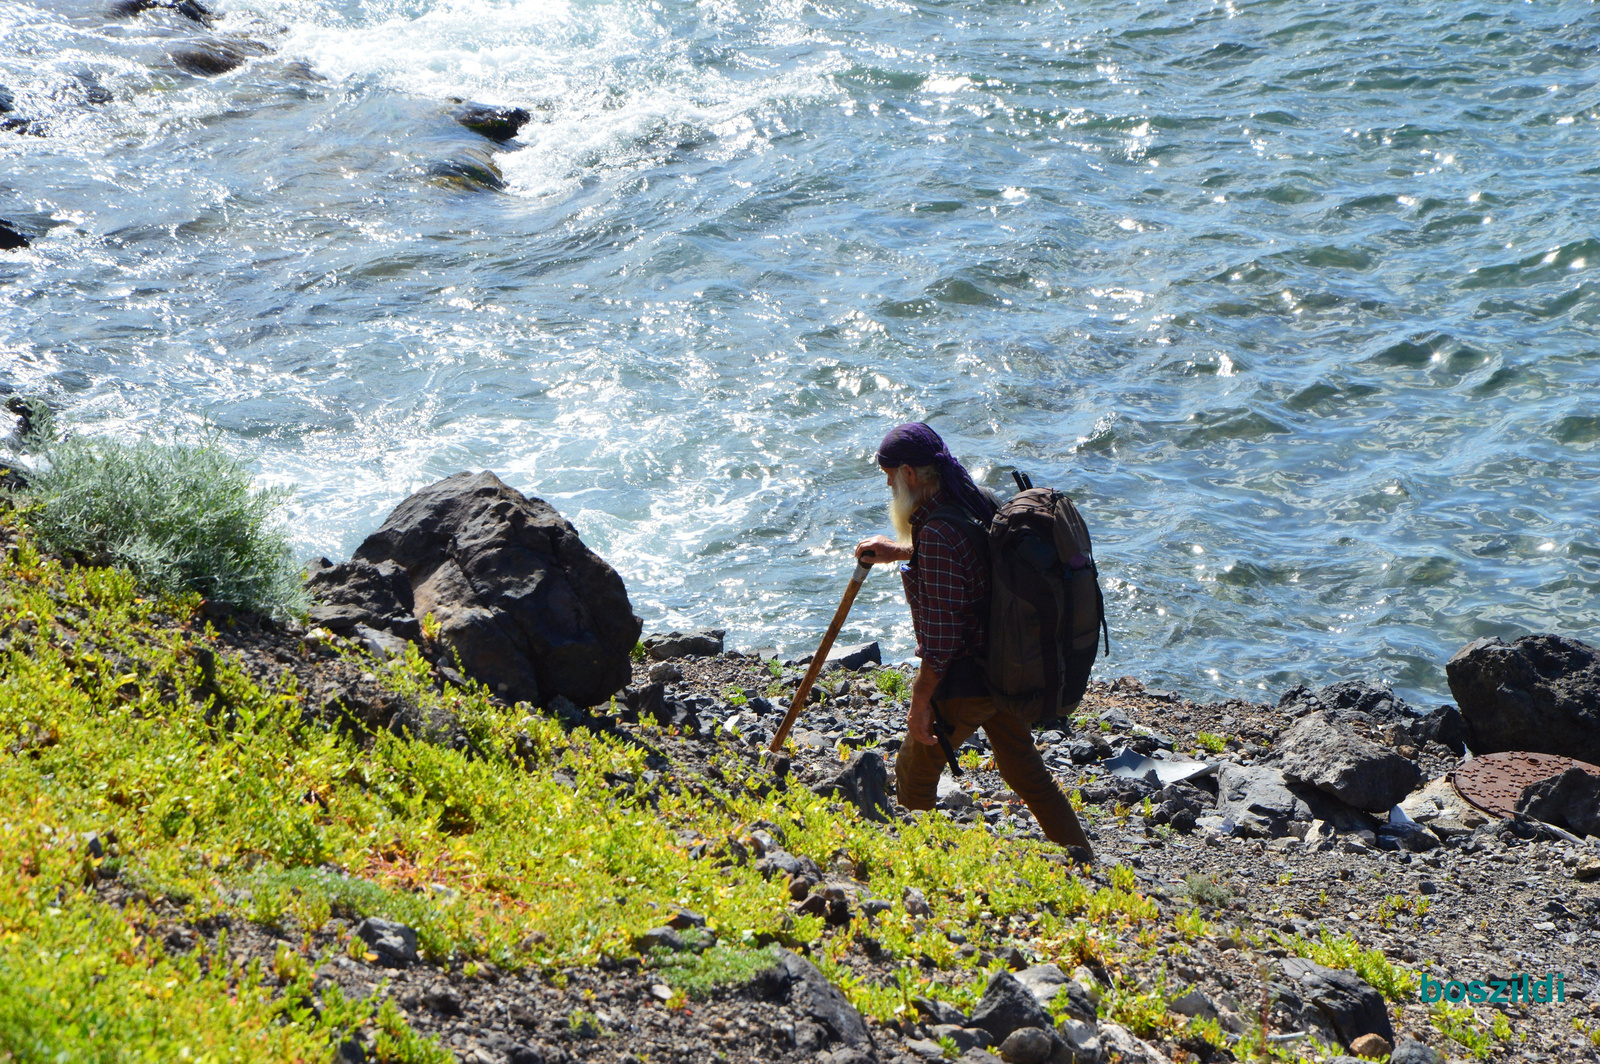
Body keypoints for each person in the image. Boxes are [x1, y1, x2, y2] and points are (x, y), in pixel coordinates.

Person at [854, 422, 1094, 858]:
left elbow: (943, 639)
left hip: (968, 681)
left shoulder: (938, 531)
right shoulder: (971, 500)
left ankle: (917, 862)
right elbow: (970, 558)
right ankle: (1083, 862)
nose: (889, 485)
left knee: (913, 773)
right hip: (1006, 665)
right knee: (1028, 776)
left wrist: (920, 700)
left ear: (910, 473)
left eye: (890, 476)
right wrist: (900, 551)